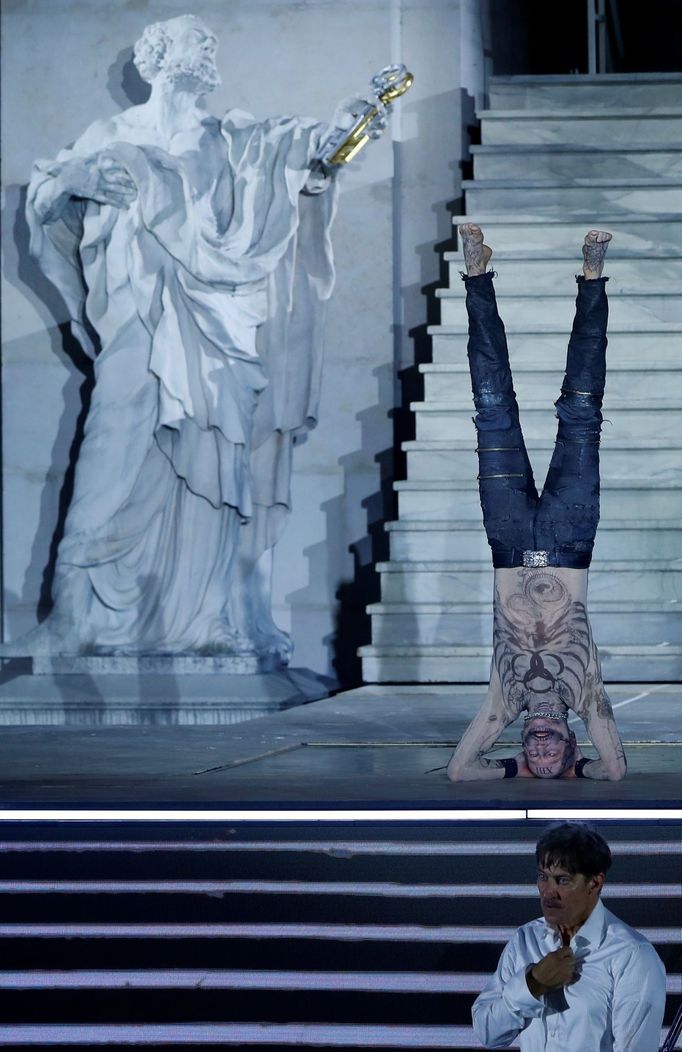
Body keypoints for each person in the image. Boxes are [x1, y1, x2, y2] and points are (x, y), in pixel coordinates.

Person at [5, 14, 372, 664]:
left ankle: (209, 617)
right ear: (154, 58)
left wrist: (344, 134)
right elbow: (44, 201)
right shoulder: (112, 134)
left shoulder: (232, 138)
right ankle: (72, 616)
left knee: (214, 463)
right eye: (193, 38)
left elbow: (304, 165)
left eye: (210, 40)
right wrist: (71, 182)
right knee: (110, 460)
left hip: (218, 330)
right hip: (137, 324)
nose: (207, 47)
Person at [447, 225, 627, 780]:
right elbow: (614, 773)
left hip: (509, 538)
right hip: (569, 539)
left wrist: (512, 773)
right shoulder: (586, 693)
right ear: (574, 745)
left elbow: (459, 773)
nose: (544, 747)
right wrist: (572, 774)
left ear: (521, 743)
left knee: (492, 406)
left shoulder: (503, 701)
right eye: (557, 753)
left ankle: (478, 276)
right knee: (581, 411)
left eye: (536, 754)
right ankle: (592, 279)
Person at [472, 823, 666, 1050]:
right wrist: (533, 984)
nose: (547, 891)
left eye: (562, 880)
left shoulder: (633, 955)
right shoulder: (525, 940)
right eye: (543, 877)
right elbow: (488, 1032)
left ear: (595, 882)